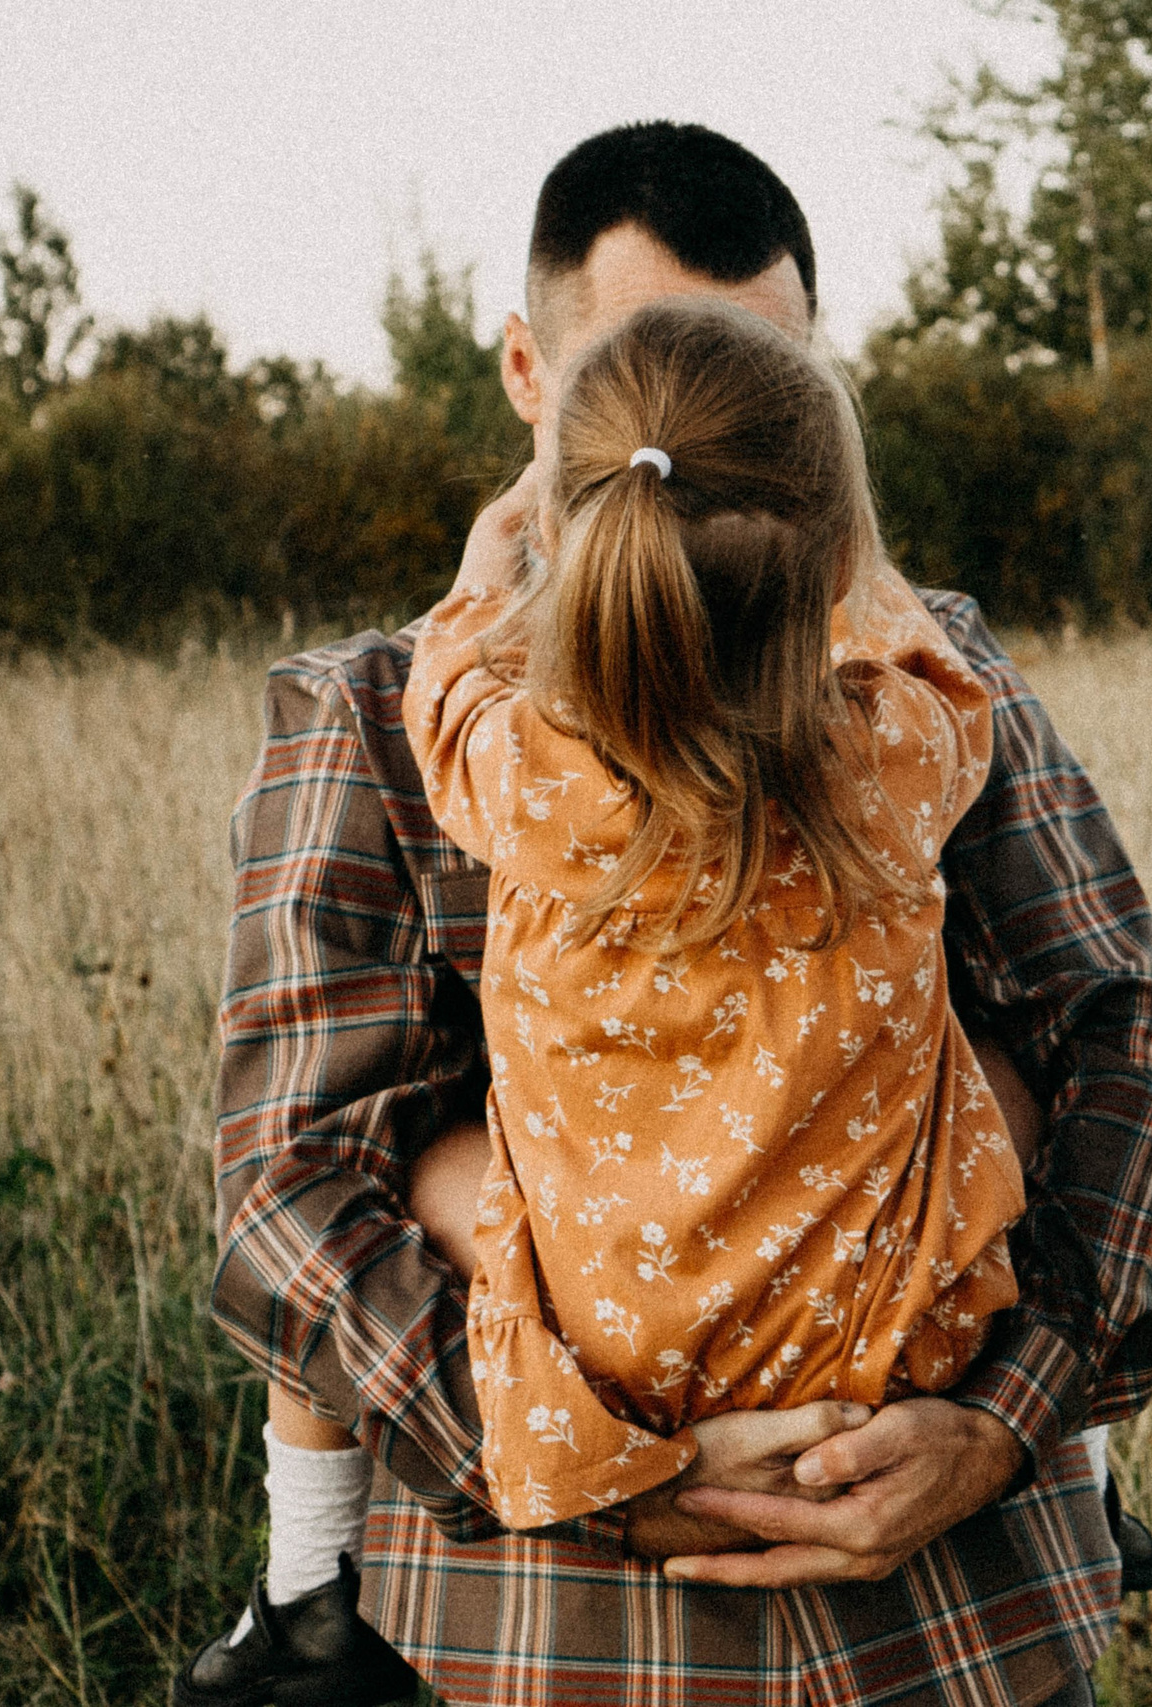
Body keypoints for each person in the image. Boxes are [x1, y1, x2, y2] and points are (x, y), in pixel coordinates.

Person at [185, 122, 1152, 1707]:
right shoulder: (371, 712)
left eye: (758, 380)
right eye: (652, 367)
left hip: (963, 1621)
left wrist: (1011, 1412)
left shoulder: (916, 680)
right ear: (533, 374)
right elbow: (285, 1187)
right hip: (547, 1634)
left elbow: (1119, 1033)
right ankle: (301, 1589)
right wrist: (572, 1457)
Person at [406, 299, 1029, 1529]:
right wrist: (864, 567)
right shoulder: (892, 757)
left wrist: (483, 586)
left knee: (439, 1167)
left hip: (617, 1361)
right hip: (887, 1346)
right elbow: (947, 675)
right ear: (834, 561)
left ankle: (307, 1580)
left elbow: (441, 696)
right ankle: (1094, 1478)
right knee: (1002, 1080)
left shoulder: (523, 776)